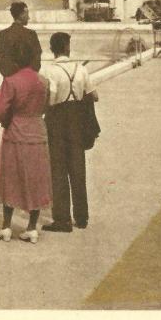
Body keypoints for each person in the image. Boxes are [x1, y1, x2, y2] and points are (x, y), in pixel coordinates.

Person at [0, 42, 53, 244]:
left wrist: (5, 121)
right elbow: (46, 106)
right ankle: (31, 227)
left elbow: (0, 109)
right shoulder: (43, 81)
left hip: (16, 132)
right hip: (37, 130)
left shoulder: (11, 81)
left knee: (10, 178)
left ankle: (7, 226)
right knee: (36, 178)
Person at [40, 33, 98, 232]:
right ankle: (82, 217)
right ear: (67, 47)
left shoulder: (50, 71)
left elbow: (51, 99)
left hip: (57, 120)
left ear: (52, 49)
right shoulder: (80, 69)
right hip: (77, 120)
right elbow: (94, 96)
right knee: (77, 167)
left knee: (58, 170)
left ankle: (62, 219)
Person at [0, 1, 42, 77]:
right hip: (27, 79)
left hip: (10, 80)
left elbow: (1, 61)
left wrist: (12, 76)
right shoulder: (31, 34)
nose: (29, 18)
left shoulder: (3, 34)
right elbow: (37, 60)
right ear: (21, 15)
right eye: (27, 14)